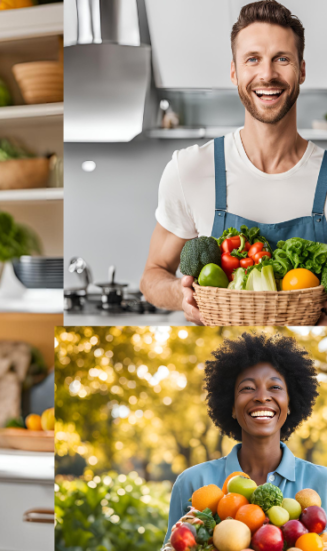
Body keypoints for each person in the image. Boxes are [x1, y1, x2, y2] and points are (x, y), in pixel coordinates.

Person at [140, 0, 327, 324]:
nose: (267, 74)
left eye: (282, 59)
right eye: (252, 59)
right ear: (234, 71)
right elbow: (152, 276)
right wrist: (182, 296)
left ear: (302, 69)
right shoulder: (191, 170)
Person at [159, 333, 327, 551]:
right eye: (247, 388)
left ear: (290, 404)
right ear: (232, 407)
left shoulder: (322, 483)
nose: (262, 397)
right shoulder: (193, 482)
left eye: (275, 388)